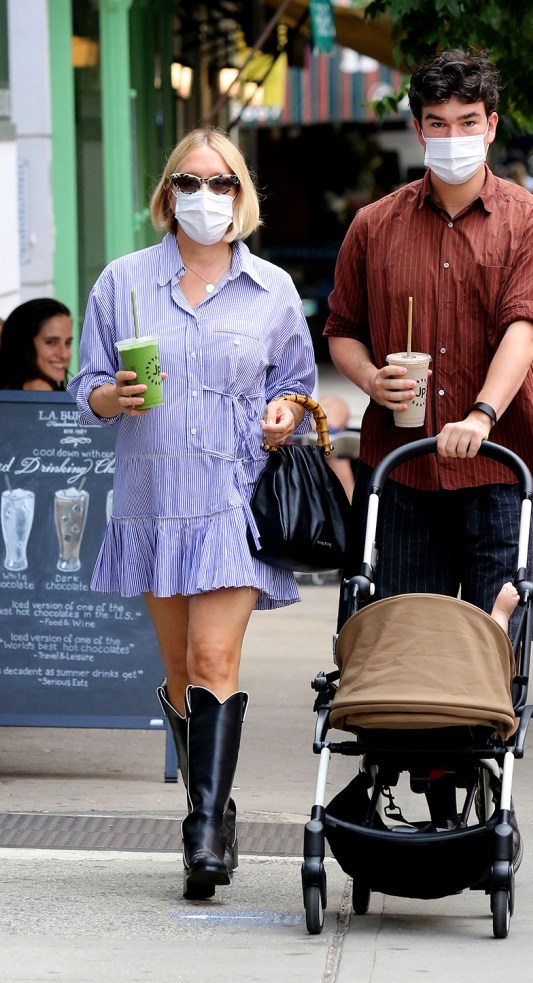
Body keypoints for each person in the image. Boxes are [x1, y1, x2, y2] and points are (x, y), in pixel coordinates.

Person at [67, 128, 316, 900]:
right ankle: (213, 801)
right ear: (167, 191)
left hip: (232, 501)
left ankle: (203, 833)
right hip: (152, 497)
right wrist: (113, 394)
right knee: (179, 675)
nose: (207, 197)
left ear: (242, 195)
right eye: (191, 181)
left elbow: (301, 388)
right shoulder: (123, 280)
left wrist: (285, 410)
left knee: (214, 663)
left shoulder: (272, 289)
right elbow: (88, 389)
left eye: (223, 183)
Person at [324, 48, 533, 644]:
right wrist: (372, 380)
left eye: (468, 121)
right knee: (401, 647)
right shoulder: (373, 226)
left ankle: (489, 735)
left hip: (502, 466)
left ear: (492, 126)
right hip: (401, 470)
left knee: (497, 650)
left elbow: (524, 329)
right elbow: (342, 331)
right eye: (438, 123)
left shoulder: (531, 222)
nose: (453, 135)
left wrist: (481, 413)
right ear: (418, 129)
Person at [0, 298, 73, 390]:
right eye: (51, 342)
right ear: (24, 345)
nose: (64, 355)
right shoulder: (40, 389)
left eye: (68, 343)